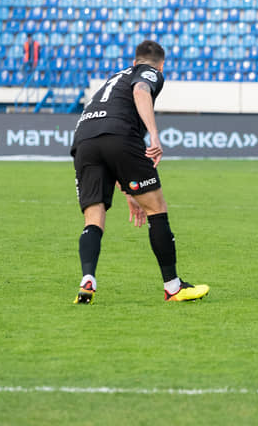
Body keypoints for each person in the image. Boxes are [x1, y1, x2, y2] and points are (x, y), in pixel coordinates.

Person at [70, 40, 209, 303]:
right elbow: (141, 91)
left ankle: (87, 278)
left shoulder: (115, 77)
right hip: (120, 134)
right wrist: (154, 135)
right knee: (156, 208)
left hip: (84, 138)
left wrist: (128, 191)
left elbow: (108, 146)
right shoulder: (149, 72)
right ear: (161, 65)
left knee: (93, 217)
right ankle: (173, 287)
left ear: (133, 60)